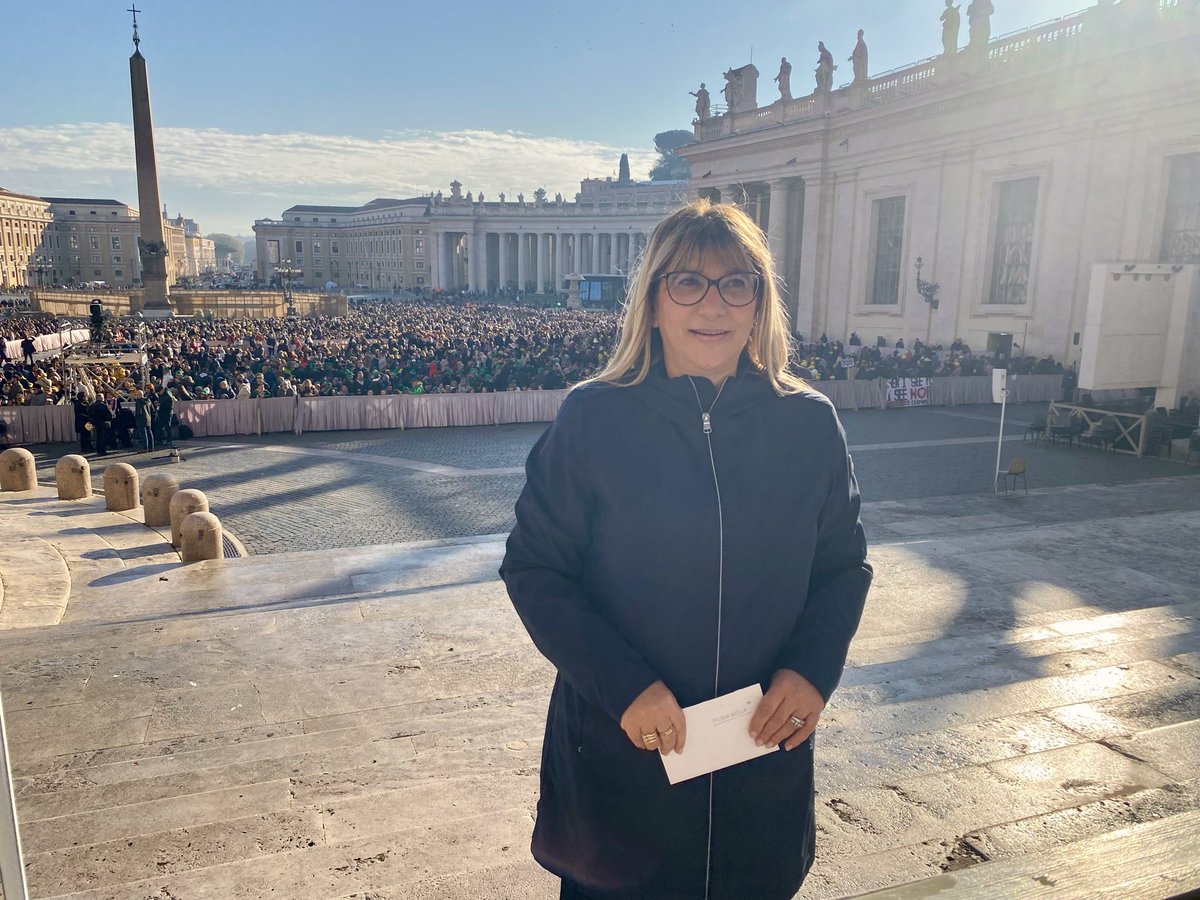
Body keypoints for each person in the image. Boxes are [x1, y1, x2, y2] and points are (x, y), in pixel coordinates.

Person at [501, 200, 872, 899]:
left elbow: (842, 568)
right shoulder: (592, 418)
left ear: (760, 302)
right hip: (623, 762)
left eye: (737, 283)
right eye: (689, 283)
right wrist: (625, 686)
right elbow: (535, 568)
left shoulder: (810, 425)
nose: (714, 304)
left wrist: (814, 669)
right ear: (653, 299)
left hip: (760, 764)